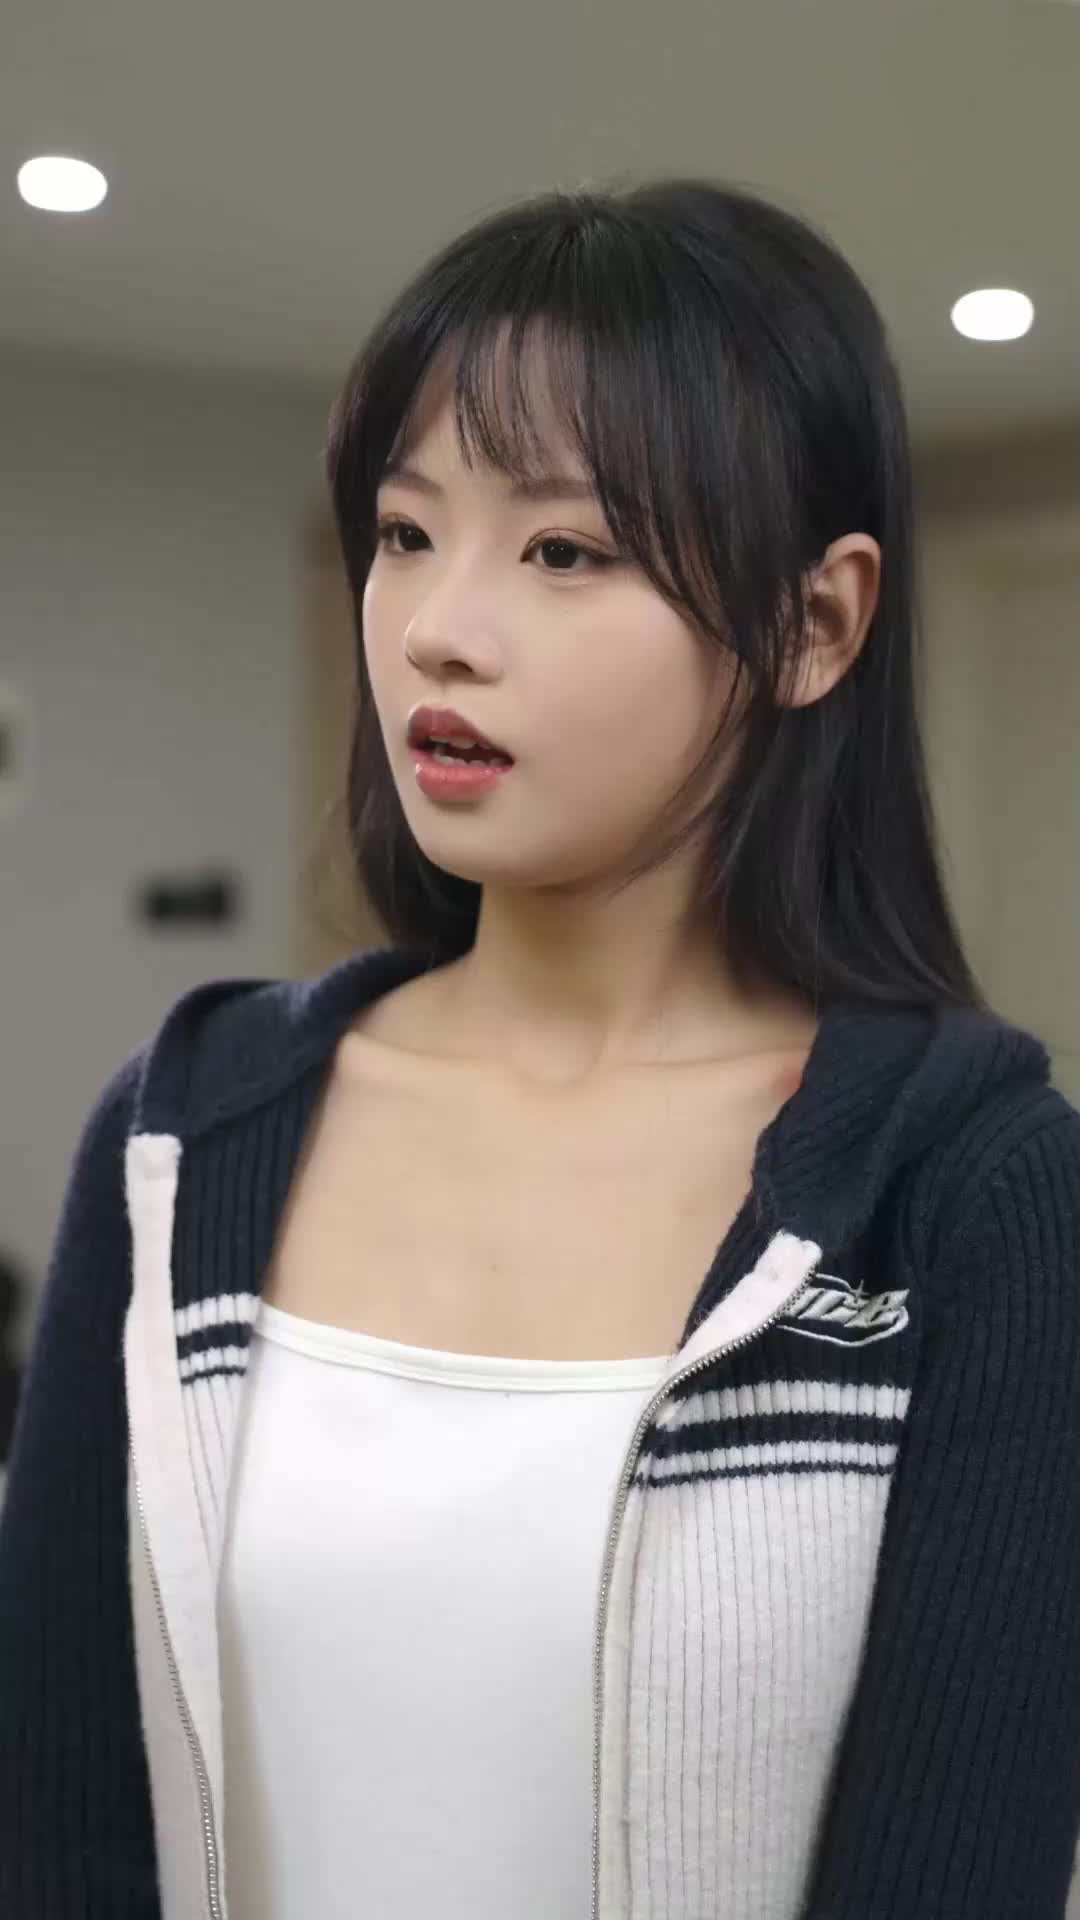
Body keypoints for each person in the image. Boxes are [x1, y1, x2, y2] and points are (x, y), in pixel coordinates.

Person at [1, 176, 1078, 1920]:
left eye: (565, 551)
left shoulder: (972, 1194)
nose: (439, 624)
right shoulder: (181, 1142)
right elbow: (53, 1833)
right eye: (404, 532)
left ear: (815, 624)